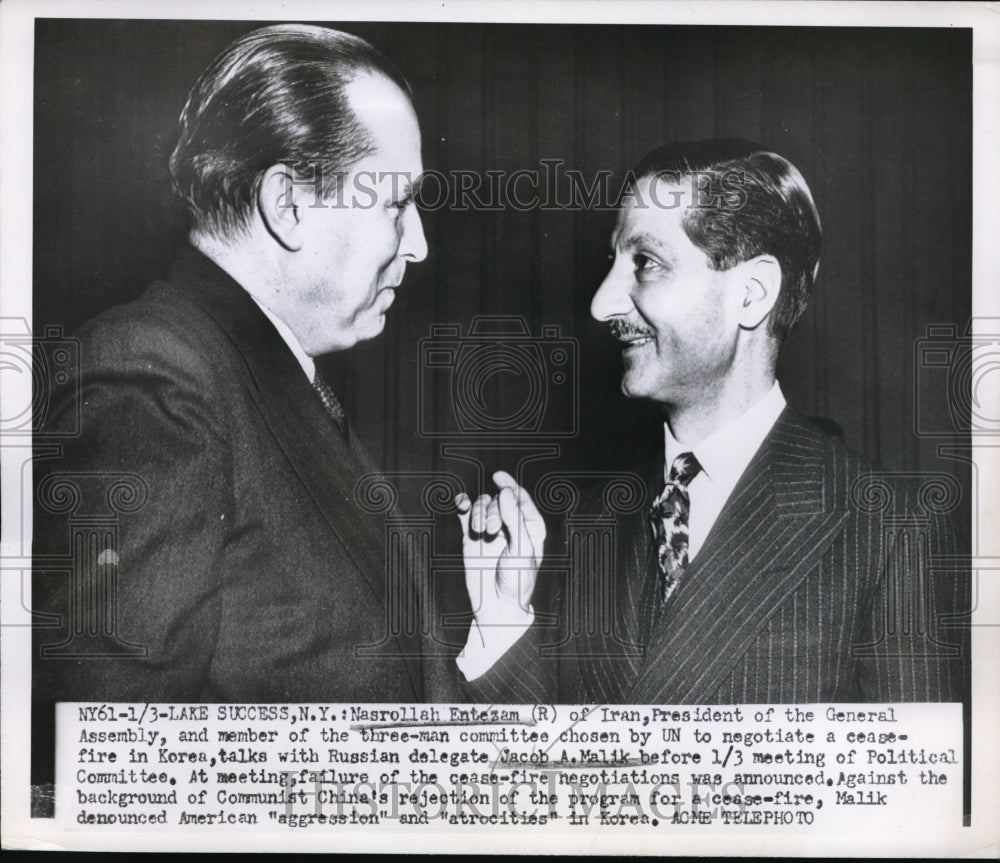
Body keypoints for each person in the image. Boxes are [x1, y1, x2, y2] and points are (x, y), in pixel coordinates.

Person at [30, 24, 477, 758]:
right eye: (396, 203)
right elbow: (110, 766)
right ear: (288, 205)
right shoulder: (155, 377)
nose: (419, 242)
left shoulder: (260, 369)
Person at [458, 139, 969, 704]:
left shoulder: (888, 531)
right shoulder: (592, 523)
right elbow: (562, 779)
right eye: (613, 263)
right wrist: (502, 619)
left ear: (751, 295)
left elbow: (916, 790)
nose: (602, 304)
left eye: (645, 264)